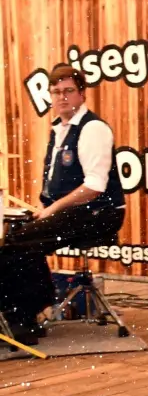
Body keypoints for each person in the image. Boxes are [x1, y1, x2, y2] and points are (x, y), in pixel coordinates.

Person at [0, 64, 126, 345]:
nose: (61, 97)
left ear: (82, 94)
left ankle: (25, 319)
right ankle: (20, 312)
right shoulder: (59, 129)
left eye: (68, 91)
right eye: (56, 92)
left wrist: (52, 210)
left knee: (21, 241)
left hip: (100, 213)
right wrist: (41, 209)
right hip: (76, 211)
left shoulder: (92, 128)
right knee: (14, 235)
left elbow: (94, 187)